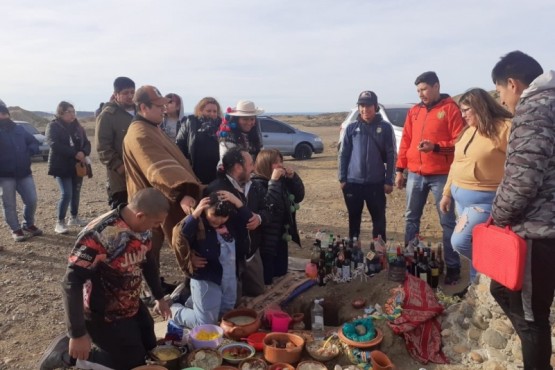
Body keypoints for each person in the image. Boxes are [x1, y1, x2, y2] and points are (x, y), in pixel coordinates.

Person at [37, 188, 172, 370]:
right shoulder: (99, 235)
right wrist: (77, 333)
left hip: (130, 301)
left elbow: (149, 262)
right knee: (132, 363)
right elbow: (71, 282)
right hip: (103, 313)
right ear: (140, 215)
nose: (156, 227)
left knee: (150, 346)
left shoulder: (142, 228)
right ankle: (67, 355)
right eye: (156, 223)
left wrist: (159, 297)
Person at [489, 51, 555, 370]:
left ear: (513, 84)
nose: (502, 101)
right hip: (545, 226)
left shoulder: (534, 109)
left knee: (531, 317)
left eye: (500, 92)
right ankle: (535, 346)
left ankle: (537, 354)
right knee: (500, 287)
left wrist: (497, 215)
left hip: (538, 230)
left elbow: (522, 181)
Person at [395, 71, 465, 285]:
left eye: (424, 89)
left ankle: (453, 266)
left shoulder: (450, 109)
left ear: (436, 86)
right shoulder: (414, 111)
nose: (421, 94)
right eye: (418, 91)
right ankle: (411, 261)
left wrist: (435, 147)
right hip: (415, 174)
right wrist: (400, 169)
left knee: (447, 222)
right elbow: (406, 140)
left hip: (441, 175)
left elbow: (459, 142)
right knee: (411, 219)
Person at [123, 85, 202, 271]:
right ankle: (150, 292)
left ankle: (155, 287)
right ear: (144, 107)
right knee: (147, 249)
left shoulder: (151, 127)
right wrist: (182, 193)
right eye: (159, 107)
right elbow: (157, 169)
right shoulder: (139, 134)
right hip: (148, 203)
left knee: (151, 248)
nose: (164, 110)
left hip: (158, 199)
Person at [439, 88, 512, 285]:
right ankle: (475, 285)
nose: (462, 116)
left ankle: (497, 271)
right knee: (475, 243)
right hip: (461, 200)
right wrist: (447, 193)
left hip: (485, 201)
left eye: (466, 110)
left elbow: (518, 164)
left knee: (460, 242)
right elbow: (456, 164)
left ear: (480, 107)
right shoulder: (467, 131)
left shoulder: (505, 128)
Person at [170, 191, 251, 327]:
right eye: (214, 216)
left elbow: (249, 219)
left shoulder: (230, 223)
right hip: (207, 276)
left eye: (223, 217)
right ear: (205, 209)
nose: (218, 221)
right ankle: (174, 310)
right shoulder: (199, 224)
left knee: (226, 313)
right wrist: (195, 214)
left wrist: (236, 201)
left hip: (229, 276)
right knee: (205, 324)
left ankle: (192, 302)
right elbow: (180, 236)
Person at [206, 147, 268, 298]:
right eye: (250, 164)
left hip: (251, 252)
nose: (253, 168)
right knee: (233, 301)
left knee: (258, 291)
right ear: (238, 167)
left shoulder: (255, 186)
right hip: (229, 257)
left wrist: (259, 219)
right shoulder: (217, 190)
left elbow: (268, 210)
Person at [338, 90, 396, 240]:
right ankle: (353, 252)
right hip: (353, 183)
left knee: (379, 222)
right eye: (361, 105)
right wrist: (342, 178)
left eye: (368, 105)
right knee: (354, 220)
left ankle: (379, 255)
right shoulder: (351, 128)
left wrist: (389, 180)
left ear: (375, 107)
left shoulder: (385, 128)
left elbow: (391, 156)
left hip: (376, 183)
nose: (365, 109)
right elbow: (343, 154)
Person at [252, 149, 304, 284]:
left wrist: (293, 178)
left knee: (281, 271)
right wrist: (273, 182)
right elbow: (269, 205)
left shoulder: (282, 181)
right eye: (276, 162)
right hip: (265, 239)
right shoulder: (256, 184)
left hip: (280, 234)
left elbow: (298, 196)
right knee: (267, 279)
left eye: (281, 161)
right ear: (266, 164)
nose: (280, 165)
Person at [46, 101, 91, 234]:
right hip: (61, 165)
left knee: (76, 192)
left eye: (73, 111)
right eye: (69, 112)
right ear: (60, 113)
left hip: (77, 165)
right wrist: (74, 153)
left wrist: (84, 152)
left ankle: (74, 217)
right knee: (67, 193)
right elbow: (54, 144)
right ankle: (59, 222)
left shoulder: (78, 126)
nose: (72, 114)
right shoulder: (53, 126)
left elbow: (87, 143)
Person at [0, 104, 42, 241]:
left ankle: (28, 224)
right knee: (9, 204)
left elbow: (34, 142)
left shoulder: (19, 129)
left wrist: (30, 151)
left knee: (32, 200)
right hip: (5, 176)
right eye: (1, 114)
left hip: (24, 173)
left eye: (5, 114)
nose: (3, 117)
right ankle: (16, 229)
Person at [95, 76, 136, 210]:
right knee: (123, 215)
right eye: (125, 93)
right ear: (116, 95)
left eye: (132, 92)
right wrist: (119, 166)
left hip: (141, 174)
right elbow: (103, 147)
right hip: (120, 177)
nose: (130, 96)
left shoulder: (141, 112)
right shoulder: (108, 116)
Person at [176, 97, 223, 185]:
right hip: (195, 168)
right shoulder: (190, 122)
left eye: (215, 111)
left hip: (215, 170)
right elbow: (180, 143)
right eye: (208, 111)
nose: (212, 114)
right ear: (201, 110)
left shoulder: (221, 125)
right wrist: (185, 163)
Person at [218, 100, 264, 164]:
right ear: (236, 120)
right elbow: (229, 162)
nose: (249, 123)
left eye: (252, 119)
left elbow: (261, 155)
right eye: (245, 119)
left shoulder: (254, 134)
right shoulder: (228, 136)